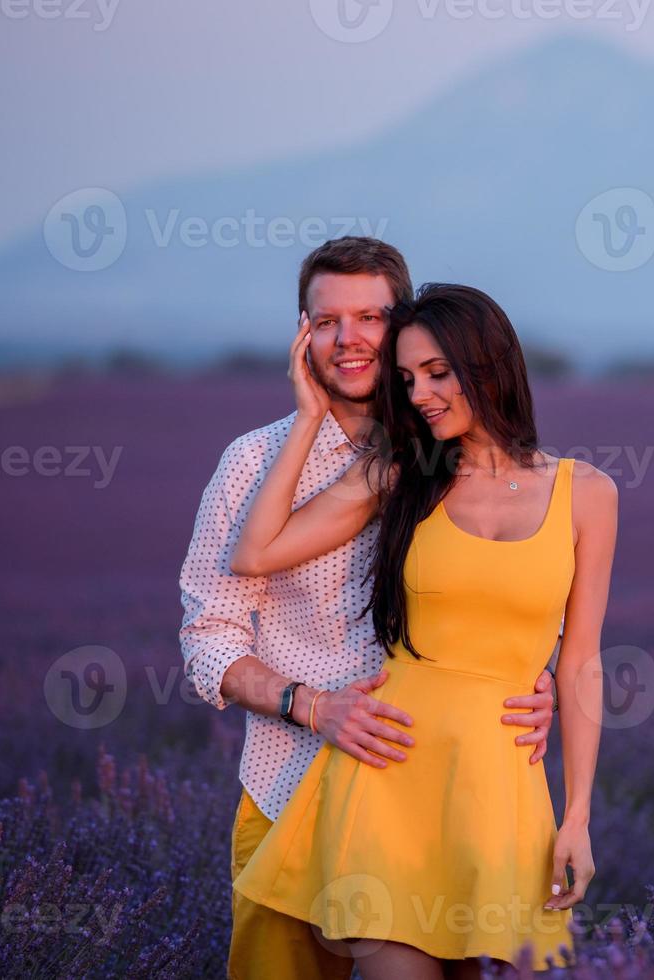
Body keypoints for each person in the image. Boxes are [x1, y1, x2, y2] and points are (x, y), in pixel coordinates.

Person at [177, 238, 559, 980]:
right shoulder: (252, 464)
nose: (348, 340)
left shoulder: (453, 454)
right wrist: (312, 706)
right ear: (301, 334)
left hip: (435, 793)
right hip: (289, 780)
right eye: (326, 322)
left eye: (370, 318)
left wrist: (536, 679)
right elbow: (210, 636)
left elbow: (530, 593)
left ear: (408, 327)